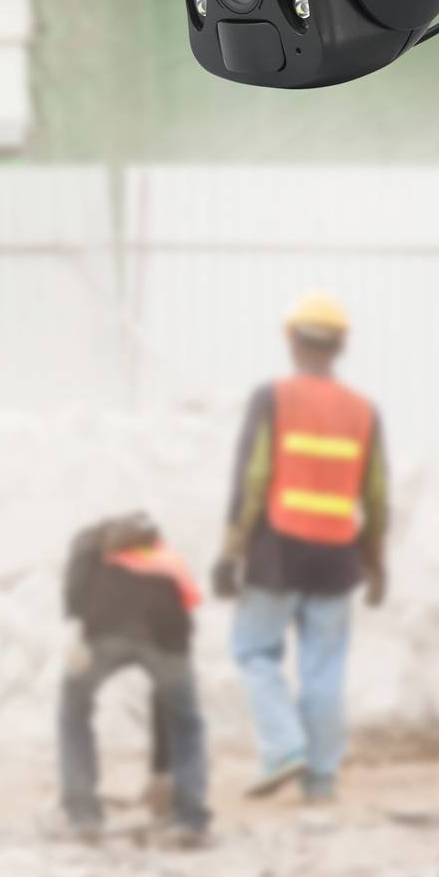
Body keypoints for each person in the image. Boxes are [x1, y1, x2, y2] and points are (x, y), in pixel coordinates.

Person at [211, 290, 388, 804]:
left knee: (254, 650)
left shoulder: (273, 399)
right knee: (324, 668)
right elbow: (375, 495)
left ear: (291, 340)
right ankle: (320, 777)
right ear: (341, 346)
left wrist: (229, 554)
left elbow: (253, 479)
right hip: (336, 557)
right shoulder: (362, 411)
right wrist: (374, 565)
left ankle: (285, 747)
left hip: (277, 552)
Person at [59, 510, 210, 846]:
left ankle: (83, 816)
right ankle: (189, 818)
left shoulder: (88, 547)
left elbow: (73, 597)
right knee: (185, 721)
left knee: (74, 713)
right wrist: (161, 769)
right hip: (167, 635)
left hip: (102, 630)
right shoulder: (164, 555)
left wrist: (75, 629)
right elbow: (187, 609)